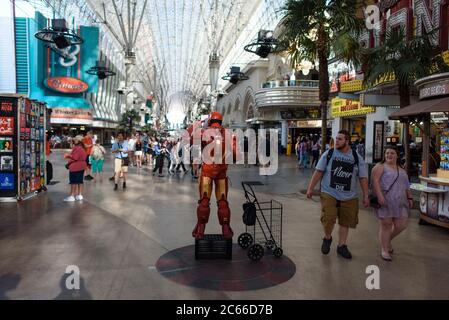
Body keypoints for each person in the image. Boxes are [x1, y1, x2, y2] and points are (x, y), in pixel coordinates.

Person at [306, 130, 369, 260]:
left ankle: (342, 246)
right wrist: (310, 188)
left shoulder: (357, 158)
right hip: (329, 192)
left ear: (347, 141)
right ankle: (327, 237)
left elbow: (363, 178)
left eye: (340, 139)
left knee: (345, 222)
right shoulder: (328, 154)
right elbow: (318, 172)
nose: (337, 141)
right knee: (328, 218)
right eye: (336, 138)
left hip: (349, 195)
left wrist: (366, 195)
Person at [187, 112, 236, 239]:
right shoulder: (229, 134)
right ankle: (226, 230)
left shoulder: (204, 133)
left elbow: (189, 136)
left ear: (210, 121)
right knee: (223, 201)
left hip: (207, 171)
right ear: (221, 121)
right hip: (221, 172)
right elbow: (235, 155)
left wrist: (198, 123)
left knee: (204, 201)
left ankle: (200, 230)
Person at [371, 147, 412, 261]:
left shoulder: (401, 169)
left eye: (392, 153)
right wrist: (380, 196)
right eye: (387, 153)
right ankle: (384, 249)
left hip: (401, 201)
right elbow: (375, 182)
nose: (389, 155)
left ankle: (387, 240)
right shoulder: (380, 167)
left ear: (397, 155)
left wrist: (410, 197)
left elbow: (406, 185)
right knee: (386, 225)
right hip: (385, 200)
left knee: (401, 225)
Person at [63, 135, 87, 202]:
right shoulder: (83, 148)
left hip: (75, 166)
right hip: (82, 166)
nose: (74, 140)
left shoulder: (77, 148)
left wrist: (68, 155)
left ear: (78, 141)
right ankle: (80, 195)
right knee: (80, 181)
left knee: (73, 182)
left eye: (75, 140)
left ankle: (72, 196)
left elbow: (75, 157)